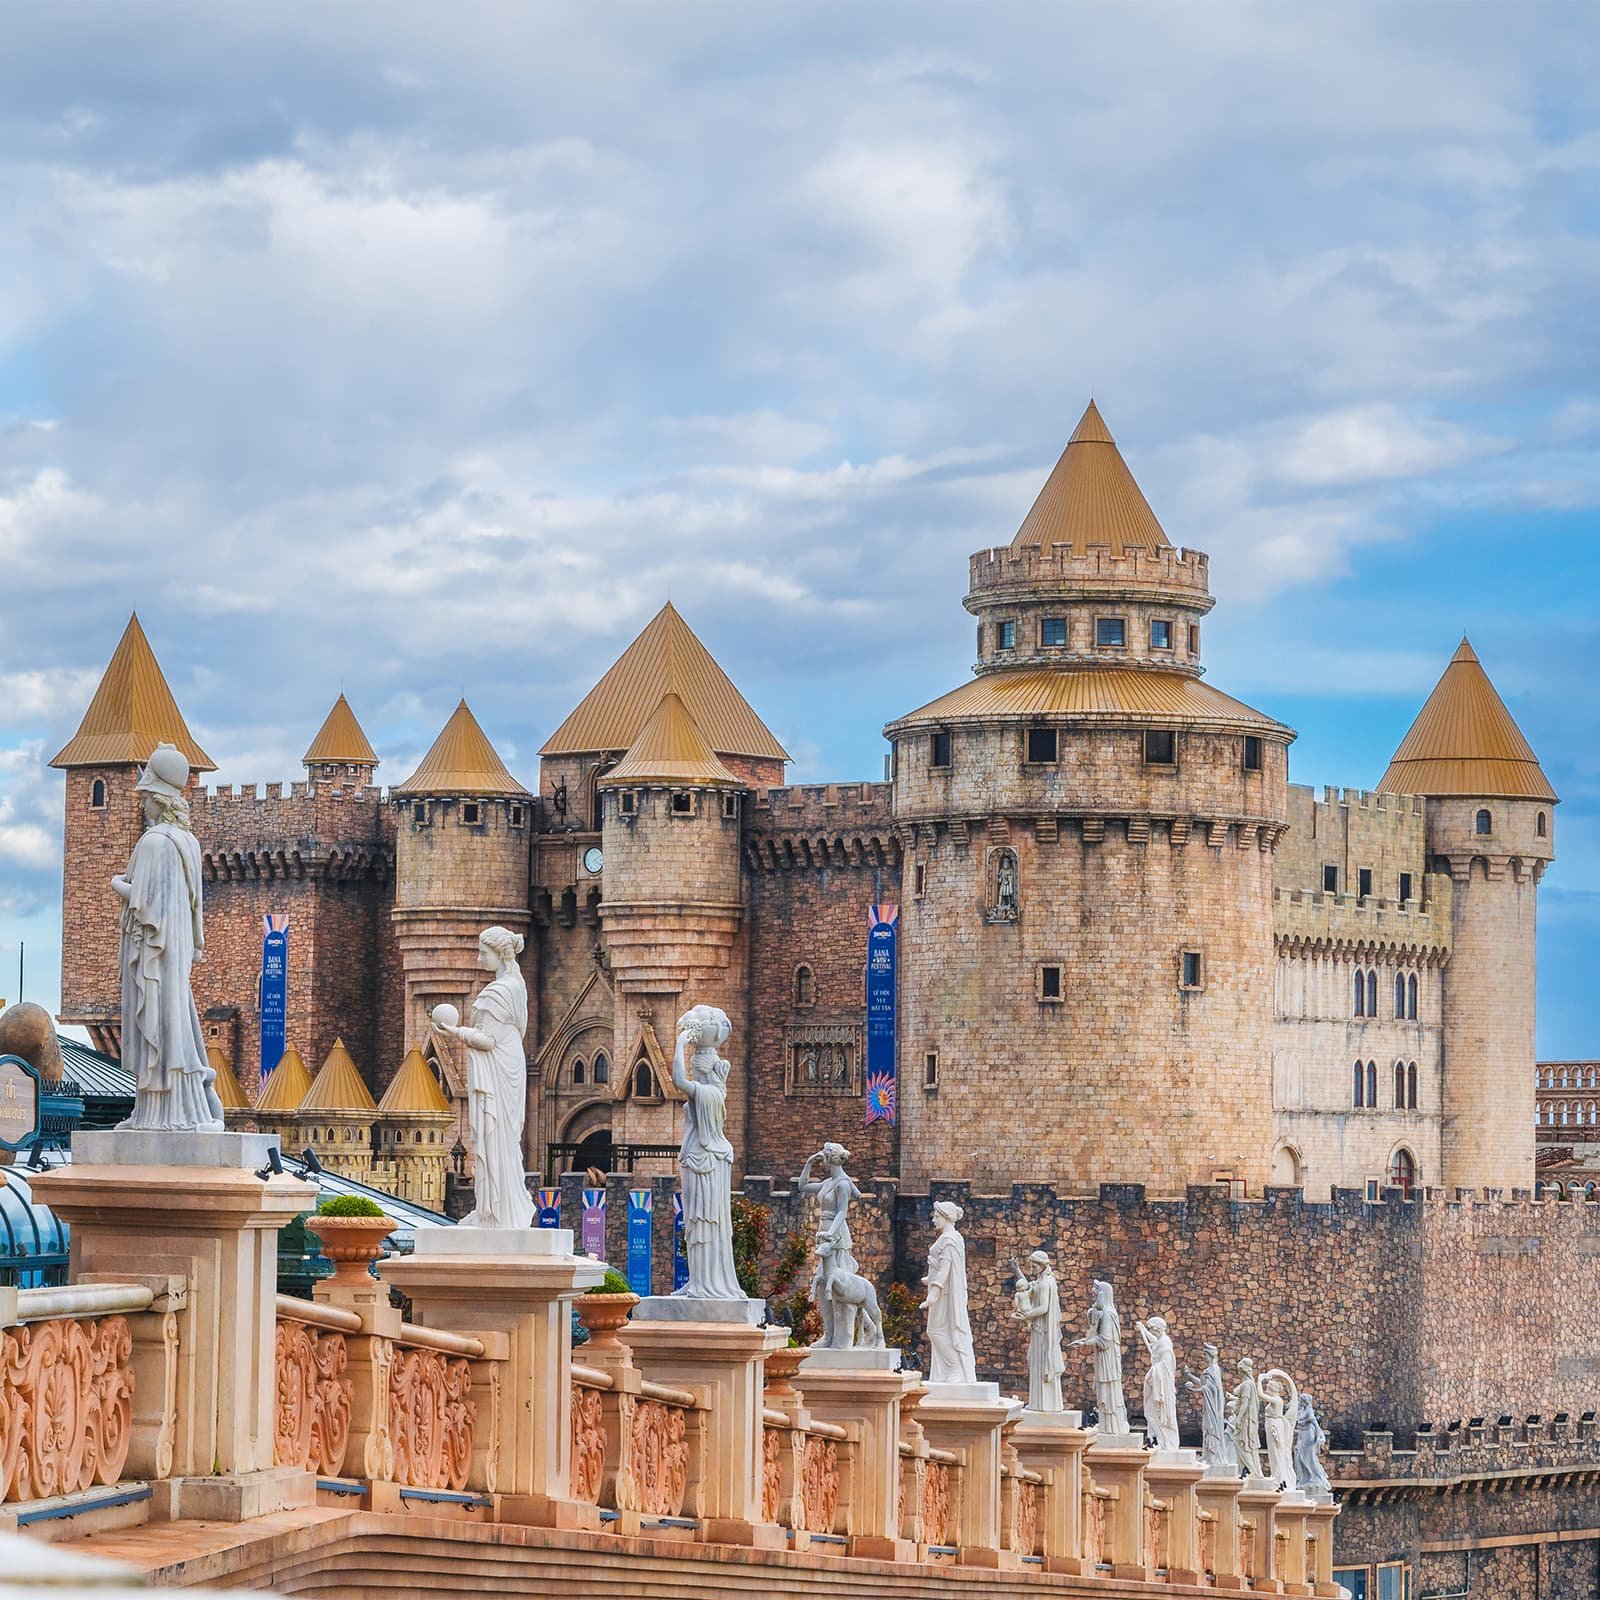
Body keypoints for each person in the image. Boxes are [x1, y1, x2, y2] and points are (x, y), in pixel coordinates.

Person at [112, 743, 224, 1132]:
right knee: (175, 1022)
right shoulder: (188, 844)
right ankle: (180, 1107)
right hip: (175, 957)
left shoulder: (155, 843)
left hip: (155, 958)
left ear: (159, 800)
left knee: (158, 1026)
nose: (143, 806)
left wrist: (117, 884)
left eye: (146, 798)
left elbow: (145, 904)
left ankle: (158, 1114)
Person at [432, 926, 534, 1230]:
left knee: (495, 1137)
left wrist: (453, 1031)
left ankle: (495, 1211)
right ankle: (498, 1207)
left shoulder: (498, 991)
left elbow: (487, 1040)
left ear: (499, 953)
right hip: (510, 1063)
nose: (479, 959)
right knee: (504, 1137)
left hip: (499, 1066)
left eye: (483, 953)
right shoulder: (517, 985)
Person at [670, 1004, 744, 1299]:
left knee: (705, 1222)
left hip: (706, 1162)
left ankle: (708, 1283)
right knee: (694, 1224)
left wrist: (679, 1043)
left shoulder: (710, 1093)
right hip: (697, 1159)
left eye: (696, 1067)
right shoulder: (706, 1091)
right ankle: (698, 1279)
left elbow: (678, 1082)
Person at [796, 1142, 864, 1347]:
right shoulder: (828, 1182)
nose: (821, 1160)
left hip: (836, 1237)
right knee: (822, 1284)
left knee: (839, 1287)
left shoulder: (842, 1184)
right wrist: (808, 1163)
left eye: (822, 1157)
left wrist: (829, 1234)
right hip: (824, 1231)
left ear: (828, 1158)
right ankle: (829, 1335)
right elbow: (802, 1185)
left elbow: (842, 1212)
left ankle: (843, 1338)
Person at [921, 1201, 976, 1383]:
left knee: (935, 1330)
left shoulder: (949, 1240)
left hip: (943, 1294)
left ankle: (955, 1368)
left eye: (937, 1216)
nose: (933, 1219)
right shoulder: (953, 1237)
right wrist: (930, 1279)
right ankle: (951, 1369)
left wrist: (933, 1294)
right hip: (941, 1289)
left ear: (946, 1217)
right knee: (939, 1330)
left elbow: (946, 1269)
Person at [1068, 1279, 1129, 1434]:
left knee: (1107, 1390)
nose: (1093, 1294)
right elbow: (1095, 1332)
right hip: (1104, 1358)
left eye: (1096, 1292)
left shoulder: (1108, 1314)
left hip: (1107, 1359)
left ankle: (1111, 1426)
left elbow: (1105, 1340)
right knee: (1103, 1389)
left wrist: (1084, 1344)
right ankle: (1106, 1422)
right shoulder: (1106, 1312)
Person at [1011, 1251, 1064, 1412]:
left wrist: (1025, 1315)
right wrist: (1016, 1270)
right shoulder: (1042, 1281)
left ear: (1042, 1266)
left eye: (1034, 1266)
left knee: (1039, 1364)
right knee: (1034, 1363)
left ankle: (1042, 1404)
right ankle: (1038, 1403)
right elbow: (1026, 1287)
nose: (1031, 1269)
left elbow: (1043, 1308)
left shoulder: (1045, 1284)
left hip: (1042, 1331)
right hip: (1038, 1329)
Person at [1183, 1343, 1235, 1473]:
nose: (1204, 1356)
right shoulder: (1211, 1370)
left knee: (1211, 1428)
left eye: (1205, 1354)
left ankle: (1213, 1456)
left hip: (1214, 1408)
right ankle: (1208, 1454)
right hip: (1209, 1406)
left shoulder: (1213, 1370)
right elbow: (1205, 1384)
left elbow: (1211, 1388)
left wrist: (1195, 1390)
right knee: (1206, 1427)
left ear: (1210, 1355)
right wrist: (1190, 1376)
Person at [1136, 1315, 1180, 1451]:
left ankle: (1165, 1442)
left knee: (1156, 1413)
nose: (1152, 1331)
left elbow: (1166, 1367)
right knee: (1150, 1412)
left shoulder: (1165, 1344)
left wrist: (1152, 1372)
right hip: (1155, 1383)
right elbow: (1154, 1341)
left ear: (1158, 1329)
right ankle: (1157, 1439)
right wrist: (1143, 1330)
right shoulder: (1161, 1339)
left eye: (1152, 1329)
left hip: (1162, 1386)